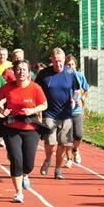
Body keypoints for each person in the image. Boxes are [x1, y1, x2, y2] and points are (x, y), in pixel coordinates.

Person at [0, 60, 48, 203]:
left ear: (29, 73)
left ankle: (25, 174)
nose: (21, 72)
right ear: (14, 72)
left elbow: (44, 104)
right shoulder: (7, 87)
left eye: (24, 69)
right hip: (11, 127)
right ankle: (18, 192)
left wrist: (32, 110)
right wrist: (2, 110)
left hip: (30, 128)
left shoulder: (35, 88)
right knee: (16, 159)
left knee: (28, 164)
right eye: (18, 69)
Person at [35, 47, 79, 180]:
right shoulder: (44, 74)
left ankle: (58, 169)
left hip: (66, 113)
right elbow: (35, 89)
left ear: (64, 60)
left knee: (63, 144)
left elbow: (77, 90)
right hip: (49, 113)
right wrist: (38, 107)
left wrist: (74, 99)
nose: (58, 64)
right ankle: (48, 159)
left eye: (60, 61)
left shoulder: (70, 73)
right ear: (51, 60)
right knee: (50, 142)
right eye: (55, 62)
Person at [63, 54, 89, 168]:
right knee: (67, 137)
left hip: (77, 110)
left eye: (72, 64)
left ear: (75, 65)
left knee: (78, 135)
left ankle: (75, 149)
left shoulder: (80, 76)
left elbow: (86, 89)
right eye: (68, 65)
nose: (70, 67)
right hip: (64, 111)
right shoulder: (61, 77)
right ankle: (69, 159)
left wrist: (82, 99)